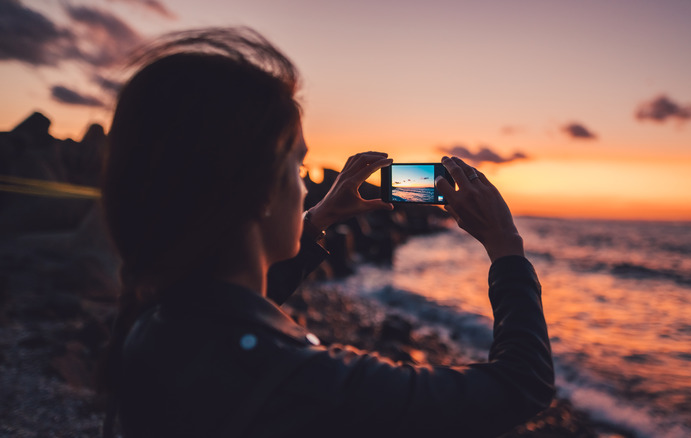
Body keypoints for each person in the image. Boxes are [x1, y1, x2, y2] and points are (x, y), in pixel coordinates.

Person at [99, 27, 554, 438]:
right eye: (298, 167)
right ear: (258, 190)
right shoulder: (303, 382)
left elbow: (233, 305)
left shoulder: (158, 319)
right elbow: (521, 385)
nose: (305, 187)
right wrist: (506, 249)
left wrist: (319, 218)